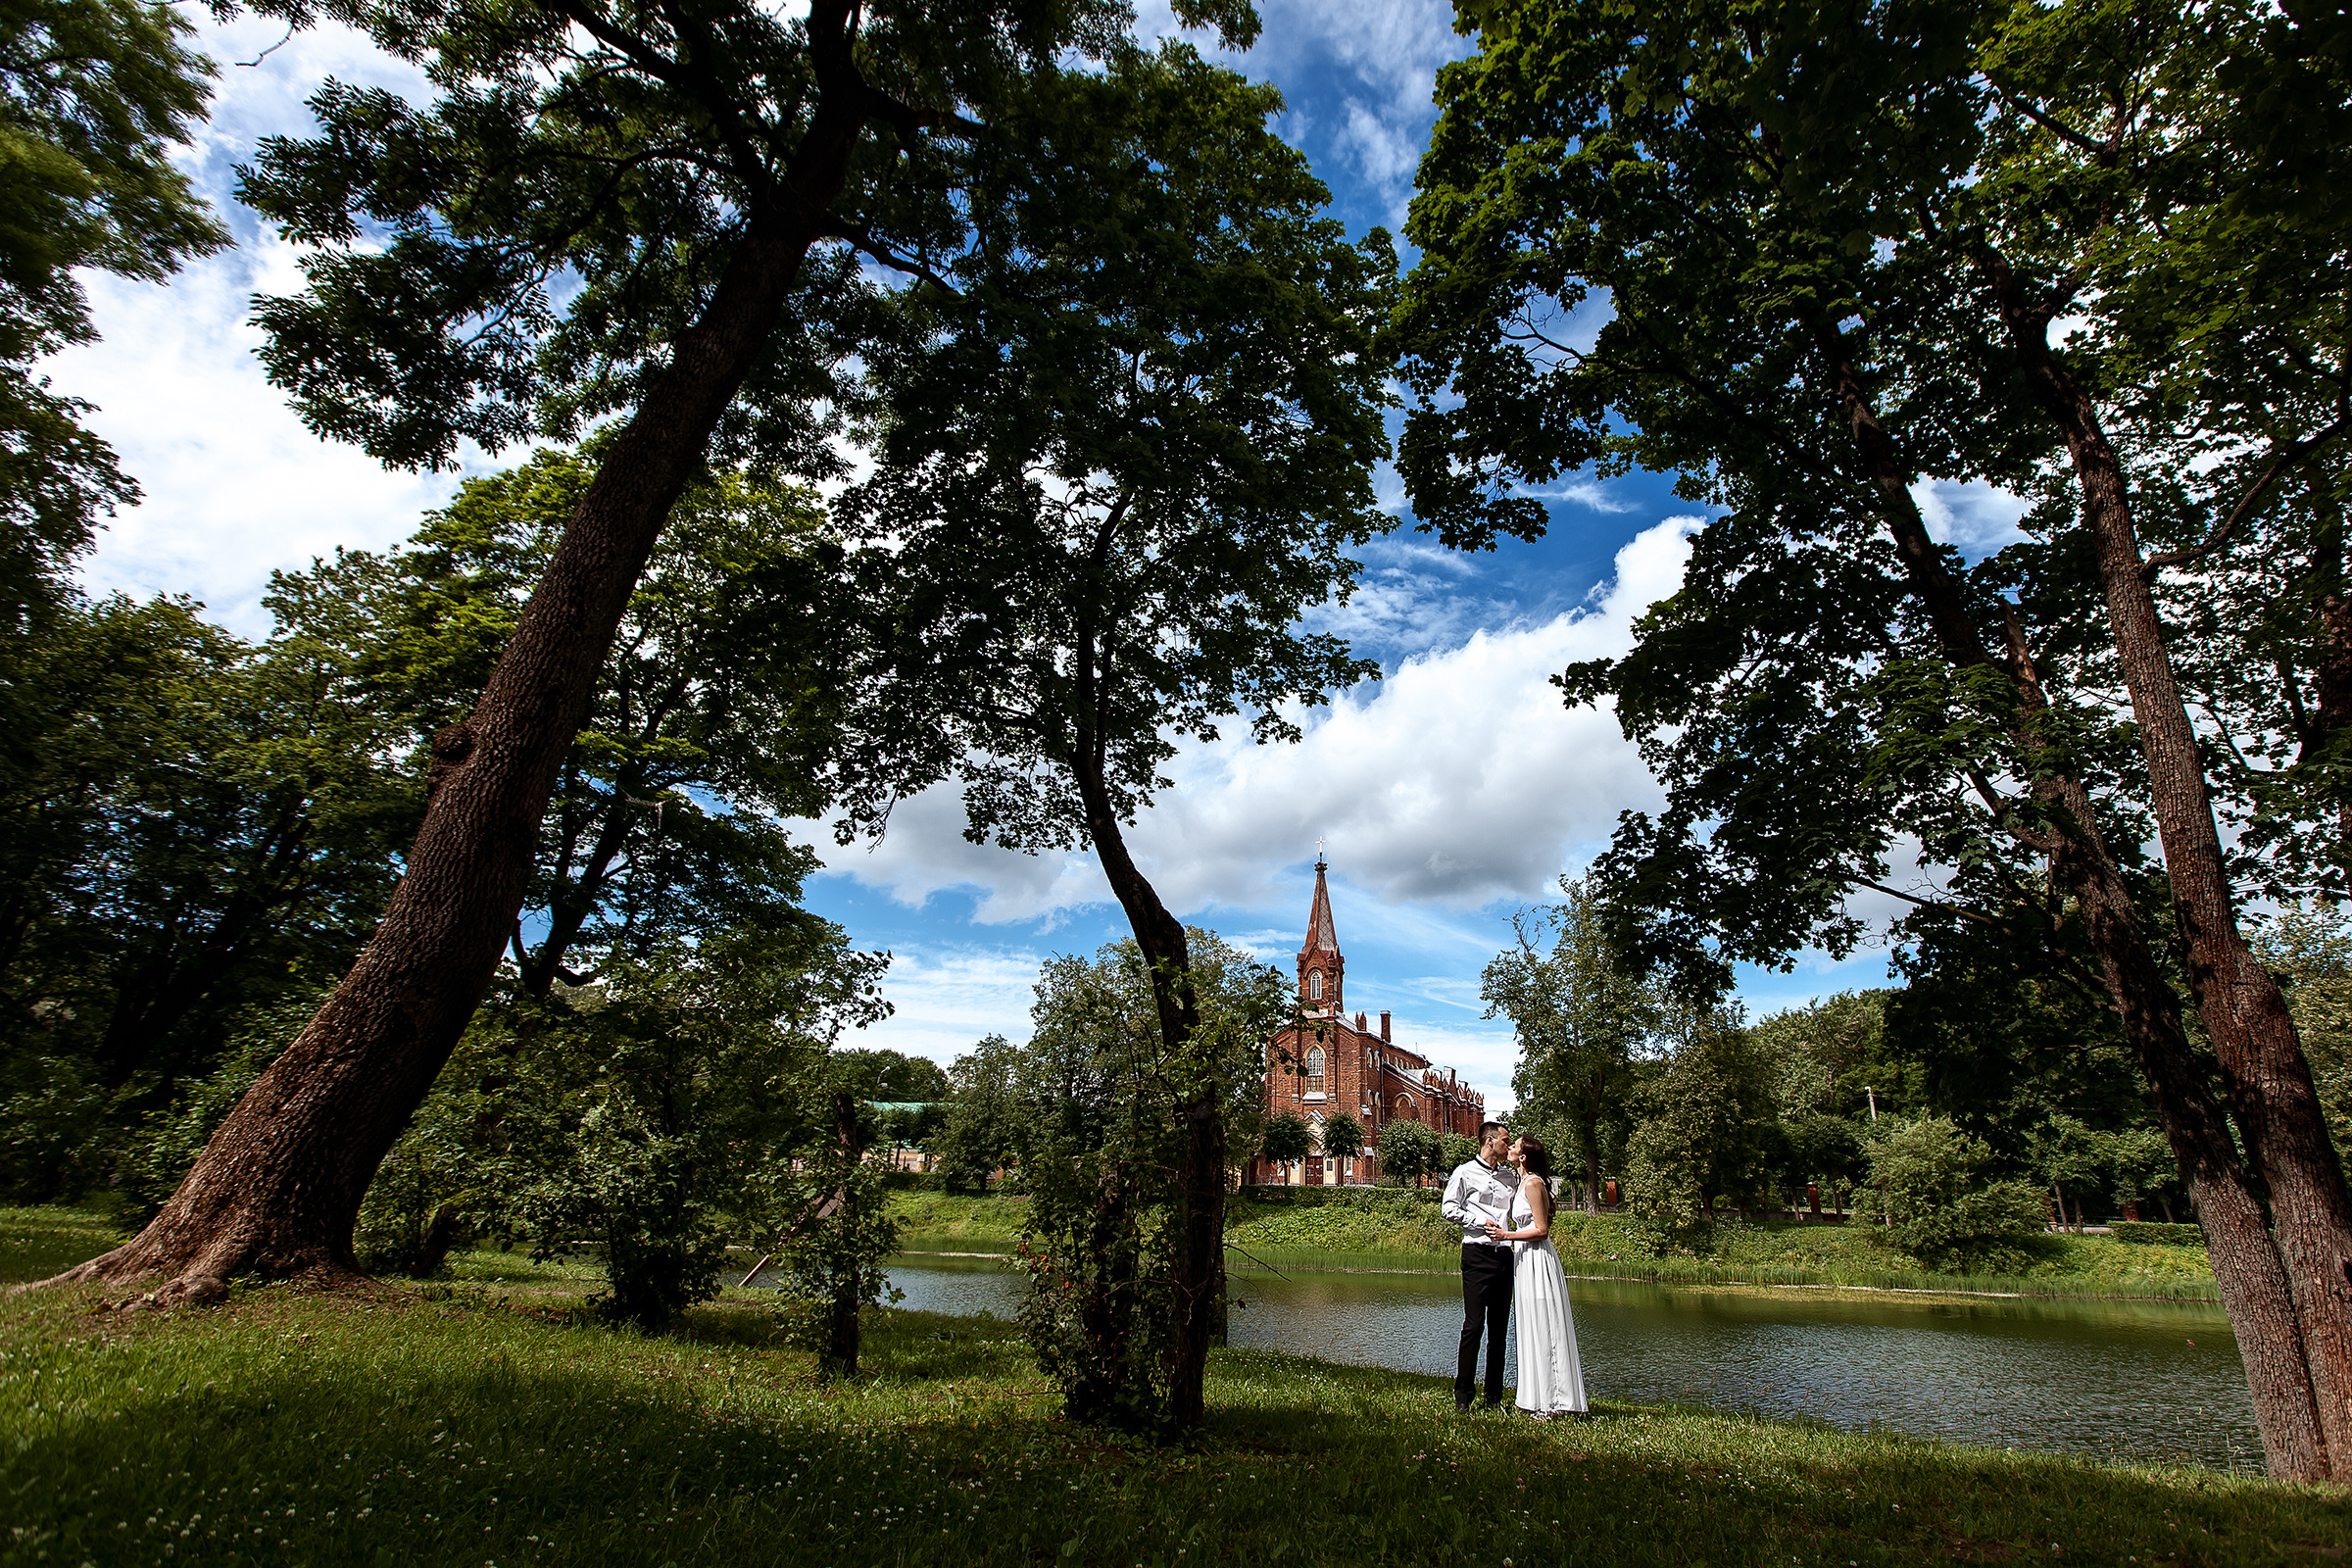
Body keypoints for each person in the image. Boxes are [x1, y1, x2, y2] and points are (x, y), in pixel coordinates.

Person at [1485, 1132, 1588, 1421]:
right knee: (1532, 1324)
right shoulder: (1522, 1182)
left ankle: (1555, 1403)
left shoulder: (1532, 1183)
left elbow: (1542, 1230)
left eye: (1514, 1145)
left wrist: (1506, 1235)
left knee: (1545, 1324)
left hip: (1537, 1258)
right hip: (1525, 1260)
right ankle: (1538, 1398)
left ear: (1524, 1157)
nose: (1510, 1148)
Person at [1441, 1120, 1519, 1412]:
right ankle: (1463, 1395)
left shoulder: (1510, 1178)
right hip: (1476, 1254)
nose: (1508, 1146)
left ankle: (1494, 1397)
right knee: (1474, 1325)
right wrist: (1477, 1222)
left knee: (1499, 1329)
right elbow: (1448, 1207)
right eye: (1505, 1141)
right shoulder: (1464, 1172)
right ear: (1490, 1142)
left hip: (1504, 1255)